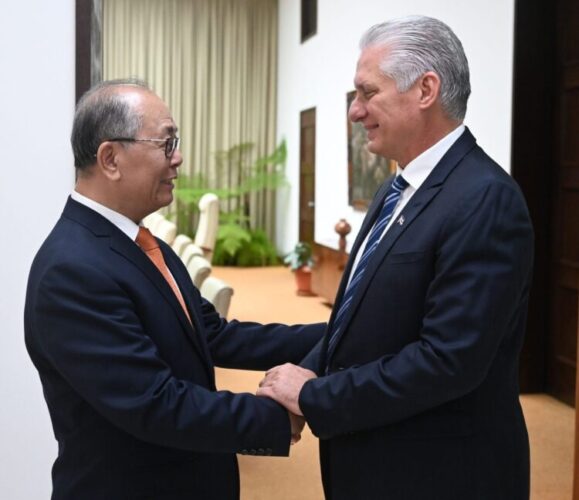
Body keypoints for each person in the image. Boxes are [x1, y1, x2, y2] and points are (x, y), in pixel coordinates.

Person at [258, 15, 533, 500]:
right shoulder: (394, 189)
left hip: (440, 476)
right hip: (376, 461)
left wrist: (314, 395)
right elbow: (354, 321)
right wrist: (304, 376)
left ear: (425, 89)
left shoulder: (485, 198)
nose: (355, 111)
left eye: (367, 93)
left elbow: (447, 361)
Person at [24, 79, 324, 499]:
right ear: (110, 159)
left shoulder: (144, 243)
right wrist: (274, 416)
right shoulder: (72, 271)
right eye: (166, 144)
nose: (178, 157)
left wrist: (338, 333)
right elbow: (155, 404)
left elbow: (213, 335)